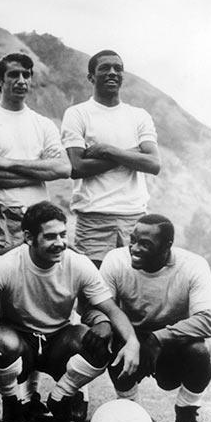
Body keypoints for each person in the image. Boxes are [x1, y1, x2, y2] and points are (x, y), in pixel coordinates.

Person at [0, 201, 140, 422]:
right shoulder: (6, 264)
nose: (60, 243)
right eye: (51, 237)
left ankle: (61, 397)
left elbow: (112, 310)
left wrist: (131, 341)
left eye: (63, 235)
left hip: (58, 339)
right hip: (19, 340)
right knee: (0, 341)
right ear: (29, 237)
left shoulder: (78, 263)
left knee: (99, 342)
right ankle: (11, 400)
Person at [0, 53, 72, 422]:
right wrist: (32, 170)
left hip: (37, 215)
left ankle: (29, 396)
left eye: (27, 74)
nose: (22, 81)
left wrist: (7, 165)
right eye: (13, 75)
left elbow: (62, 167)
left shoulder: (42, 124)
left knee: (33, 303)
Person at [100, 214, 211, 422]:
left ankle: (187, 410)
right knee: (107, 339)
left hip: (172, 343)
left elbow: (209, 320)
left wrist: (158, 338)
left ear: (167, 246)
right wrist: (130, 339)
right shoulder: (116, 260)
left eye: (145, 244)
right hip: (131, 338)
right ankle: (130, 409)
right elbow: (101, 309)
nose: (134, 248)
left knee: (201, 351)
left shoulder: (193, 265)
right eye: (132, 240)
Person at [61, 49, 161, 269]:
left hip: (134, 218)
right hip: (93, 218)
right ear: (91, 77)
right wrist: (133, 155)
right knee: (92, 289)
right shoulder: (77, 114)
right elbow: (77, 166)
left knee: (133, 287)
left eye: (118, 68)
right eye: (104, 68)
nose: (112, 72)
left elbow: (153, 164)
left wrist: (108, 150)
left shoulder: (139, 116)